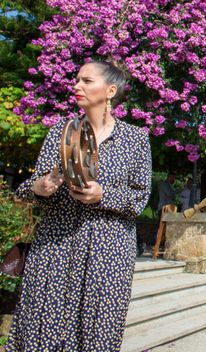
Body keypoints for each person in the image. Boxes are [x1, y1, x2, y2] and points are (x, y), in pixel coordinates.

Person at [6, 61, 152, 351]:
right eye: (76, 80)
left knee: (98, 330)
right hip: (55, 247)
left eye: (86, 80)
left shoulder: (135, 139)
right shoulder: (61, 132)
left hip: (107, 251)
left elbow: (139, 197)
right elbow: (30, 186)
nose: (76, 86)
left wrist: (103, 195)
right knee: (42, 324)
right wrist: (40, 188)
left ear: (110, 91)